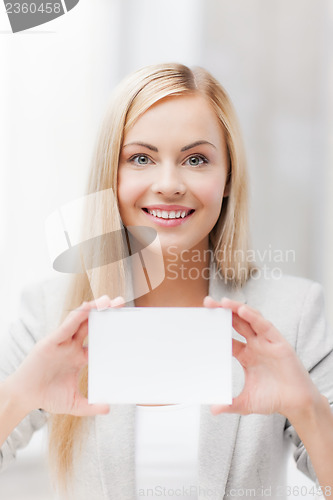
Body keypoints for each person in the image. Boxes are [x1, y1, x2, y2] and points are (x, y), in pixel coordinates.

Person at [0, 62, 333, 500]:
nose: (169, 184)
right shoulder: (49, 312)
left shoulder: (295, 313)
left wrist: (306, 407)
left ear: (228, 176)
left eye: (196, 159)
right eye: (141, 158)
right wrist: (16, 399)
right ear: (111, 176)